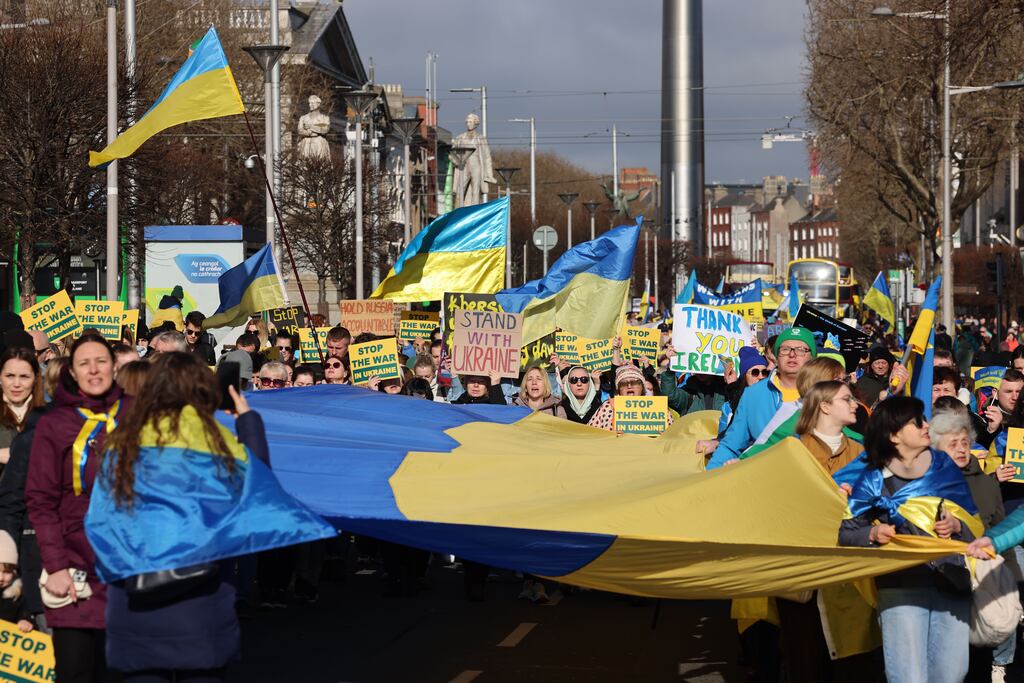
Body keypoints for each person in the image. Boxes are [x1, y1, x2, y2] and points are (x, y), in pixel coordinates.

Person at [100, 352, 266, 682]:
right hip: (200, 601)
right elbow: (257, 493)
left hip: (136, 599)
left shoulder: (121, 440)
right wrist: (247, 420)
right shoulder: (213, 442)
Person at [840, 396, 978, 683]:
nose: (927, 425)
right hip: (901, 587)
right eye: (917, 422)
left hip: (951, 581)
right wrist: (873, 533)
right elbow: (844, 532)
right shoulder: (873, 478)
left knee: (951, 674)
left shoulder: (944, 466)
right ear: (894, 435)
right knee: (908, 676)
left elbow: (973, 523)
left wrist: (956, 524)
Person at [26, 334, 128, 681]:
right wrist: (55, 566)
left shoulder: (136, 414)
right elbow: (41, 501)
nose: (94, 370)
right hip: (74, 569)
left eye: (101, 361)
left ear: (114, 366)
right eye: (84, 363)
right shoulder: (55, 423)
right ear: (72, 371)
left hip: (128, 567)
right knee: (76, 670)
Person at [705, 328, 818, 468]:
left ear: (812, 357)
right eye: (785, 349)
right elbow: (731, 446)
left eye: (801, 350)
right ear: (777, 356)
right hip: (759, 477)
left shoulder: (823, 394)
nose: (792, 354)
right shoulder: (753, 394)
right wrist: (708, 478)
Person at [588, 364, 674, 431]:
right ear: (618, 389)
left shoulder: (658, 407)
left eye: (634, 383)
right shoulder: (607, 406)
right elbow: (592, 434)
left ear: (642, 388)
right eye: (624, 384)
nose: (629, 386)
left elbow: (671, 437)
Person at [0, 347, 44, 472]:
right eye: (10, 376)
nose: (16, 384)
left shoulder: (49, 415)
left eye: (24, 377)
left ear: (35, 379)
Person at [719, 347, 768, 436]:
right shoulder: (728, 407)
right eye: (755, 372)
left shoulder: (774, 398)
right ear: (744, 377)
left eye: (764, 372)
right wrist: (732, 386)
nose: (761, 377)